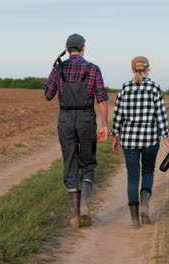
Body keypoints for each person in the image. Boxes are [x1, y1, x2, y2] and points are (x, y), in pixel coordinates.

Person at [44, 34, 109, 228]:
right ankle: (85, 206)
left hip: (66, 119)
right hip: (87, 118)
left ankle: (75, 215)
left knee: (70, 161)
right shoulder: (93, 69)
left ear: (66, 48)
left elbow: (48, 95)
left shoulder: (59, 68)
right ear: (83, 48)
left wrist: (55, 69)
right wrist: (105, 125)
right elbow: (102, 99)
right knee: (87, 162)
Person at [111, 56, 169, 228]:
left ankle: (134, 219)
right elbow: (161, 117)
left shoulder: (125, 89)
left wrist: (115, 136)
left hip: (129, 140)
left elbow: (118, 116)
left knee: (133, 177)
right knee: (148, 172)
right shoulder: (155, 88)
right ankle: (145, 207)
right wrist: (168, 141)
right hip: (150, 139)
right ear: (149, 69)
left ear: (133, 70)